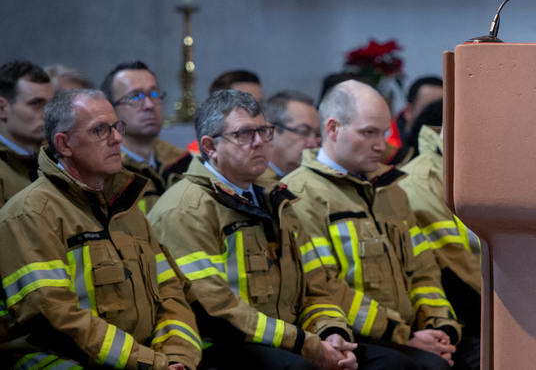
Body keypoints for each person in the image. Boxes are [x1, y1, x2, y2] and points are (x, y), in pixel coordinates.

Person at [146, 90, 372, 370]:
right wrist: (308, 345)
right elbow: (216, 310)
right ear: (210, 146)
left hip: (289, 340)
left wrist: (331, 333)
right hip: (220, 344)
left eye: (264, 132)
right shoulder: (185, 208)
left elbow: (315, 287)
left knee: (393, 362)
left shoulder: (276, 198)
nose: (259, 142)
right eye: (244, 134)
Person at [0, 88, 201, 369]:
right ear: (64, 144)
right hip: (60, 358)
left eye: (116, 127)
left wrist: (177, 357)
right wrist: (150, 363)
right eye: (100, 130)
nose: (117, 138)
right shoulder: (30, 214)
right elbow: (55, 317)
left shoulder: (126, 207)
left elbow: (170, 292)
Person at [284, 80, 476, 370]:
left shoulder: (391, 190)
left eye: (384, 132)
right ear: (333, 129)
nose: (380, 145)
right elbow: (325, 286)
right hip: (353, 335)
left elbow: (423, 271)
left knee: (489, 355)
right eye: (368, 132)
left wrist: (441, 328)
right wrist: (403, 335)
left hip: (411, 334)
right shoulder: (300, 194)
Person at [399, 100, 482, 342]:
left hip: (481, 307)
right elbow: (457, 269)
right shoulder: (422, 181)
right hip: (462, 315)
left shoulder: (474, 170)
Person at [101, 61, 193, 212]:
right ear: (111, 108)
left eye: (154, 94)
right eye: (135, 97)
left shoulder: (182, 160)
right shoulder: (106, 170)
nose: (149, 105)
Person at [0, 59, 54, 208]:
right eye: (36, 104)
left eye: (50, 104)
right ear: (2, 109)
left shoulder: (56, 157)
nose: (48, 114)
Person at [261, 89, 322, 184]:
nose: (314, 144)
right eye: (303, 131)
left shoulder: (317, 181)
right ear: (269, 132)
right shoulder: (252, 182)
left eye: (318, 134)